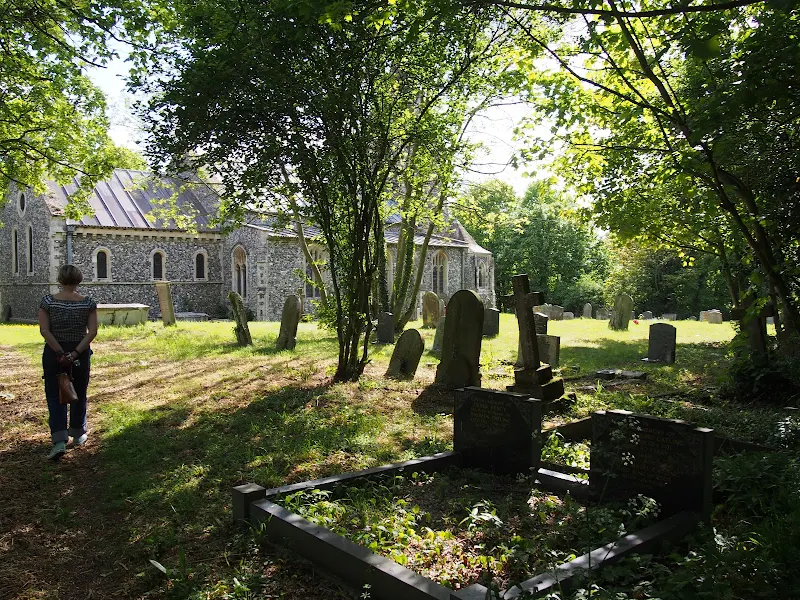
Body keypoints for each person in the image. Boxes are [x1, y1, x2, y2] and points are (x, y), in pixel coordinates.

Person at [38, 264, 98, 460]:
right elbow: (93, 332)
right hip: (79, 352)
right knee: (79, 392)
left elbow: (45, 330)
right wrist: (75, 353)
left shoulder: (48, 302)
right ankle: (78, 433)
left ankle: (59, 441)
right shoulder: (87, 303)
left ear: (60, 279)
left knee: (55, 395)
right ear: (79, 279)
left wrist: (60, 352)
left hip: (54, 353)